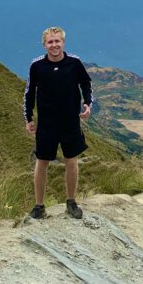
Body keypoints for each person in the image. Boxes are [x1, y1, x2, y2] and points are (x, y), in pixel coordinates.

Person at [23, 26, 92, 220]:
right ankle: (39, 206)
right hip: (46, 124)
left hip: (70, 121)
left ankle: (71, 202)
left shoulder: (74, 63)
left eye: (57, 41)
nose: (54, 45)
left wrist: (87, 104)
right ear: (44, 44)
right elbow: (29, 93)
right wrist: (28, 118)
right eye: (50, 42)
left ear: (63, 42)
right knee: (42, 162)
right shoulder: (36, 66)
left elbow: (86, 83)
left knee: (71, 161)